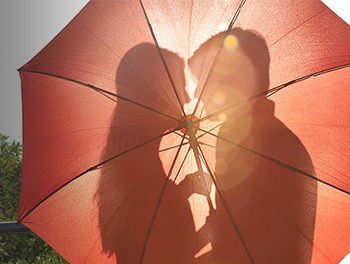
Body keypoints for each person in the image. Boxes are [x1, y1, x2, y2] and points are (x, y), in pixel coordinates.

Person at [188, 28, 317, 263]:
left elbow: (239, 249)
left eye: (205, 79)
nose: (197, 93)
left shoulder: (243, 141)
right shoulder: (272, 136)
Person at [95, 43, 199, 263]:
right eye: (181, 86)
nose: (188, 98)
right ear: (157, 91)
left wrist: (184, 189)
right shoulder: (140, 171)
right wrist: (218, 230)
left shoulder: (134, 161)